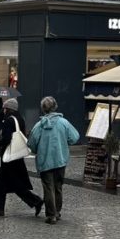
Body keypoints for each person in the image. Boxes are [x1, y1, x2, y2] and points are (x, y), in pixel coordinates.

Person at [0, 98, 43, 217]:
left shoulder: (9, 121)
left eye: (5, 108)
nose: (3, 110)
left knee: (5, 183)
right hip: (17, 156)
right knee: (12, 184)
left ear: (8, 109)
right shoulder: (20, 119)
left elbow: (6, 139)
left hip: (9, 158)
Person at [27, 96, 80, 225]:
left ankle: (51, 215)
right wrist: (64, 141)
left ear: (43, 109)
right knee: (58, 187)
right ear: (55, 107)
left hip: (45, 161)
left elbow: (32, 143)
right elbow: (75, 137)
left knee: (48, 187)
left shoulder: (39, 125)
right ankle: (57, 212)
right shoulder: (64, 123)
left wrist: (37, 149)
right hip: (60, 159)